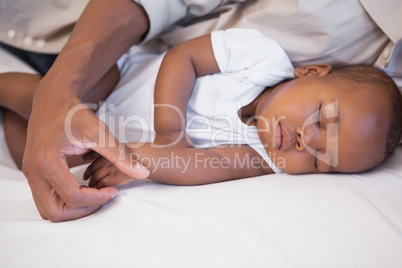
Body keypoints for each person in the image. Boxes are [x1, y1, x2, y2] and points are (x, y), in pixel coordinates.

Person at [0, 0, 401, 221]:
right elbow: (183, 59)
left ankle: (10, 124)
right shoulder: (262, 58)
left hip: (108, 138)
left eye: (320, 161)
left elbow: (207, 164)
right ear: (311, 72)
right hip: (117, 84)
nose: (306, 140)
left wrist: (145, 160)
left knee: (42, 165)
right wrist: (170, 132)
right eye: (321, 117)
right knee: (43, 98)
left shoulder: (263, 159)